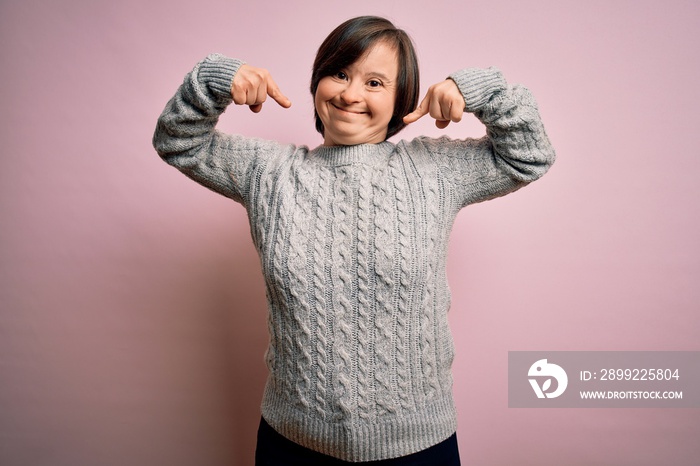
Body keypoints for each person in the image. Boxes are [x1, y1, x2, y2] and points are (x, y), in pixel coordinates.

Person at [153, 15, 555, 466]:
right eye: (340, 73)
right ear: (317, 82)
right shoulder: (268, 172)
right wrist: (215, 79)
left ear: (401, 99)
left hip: (418, 445)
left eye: (375, 82)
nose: (350, 93)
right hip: (293, 443)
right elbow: (177, 141)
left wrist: (479, 90)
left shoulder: (435, 171)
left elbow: (529, 155)